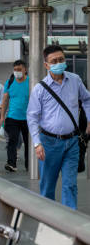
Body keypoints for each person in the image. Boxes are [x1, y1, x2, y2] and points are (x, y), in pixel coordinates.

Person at [27, 45, 90, 210]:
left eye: (61, 59)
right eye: (54, 61)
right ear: (46, 65)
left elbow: (87, 99)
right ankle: (48, 220)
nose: (59, 63)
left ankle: (69, 220)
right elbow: (32, 117)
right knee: (47, 186)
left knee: (70, 184)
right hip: (49, 143)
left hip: (72, 142)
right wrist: (37, 143)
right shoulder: (39, 89)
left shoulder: (75, 80)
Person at [0, 60, 30, 172]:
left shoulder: (31, 82)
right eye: (15, 70)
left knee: (28, 142)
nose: (17, 72)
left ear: (25, 69)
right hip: (12, 117)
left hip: (28, 118)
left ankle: (29, 164)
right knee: (12, 140)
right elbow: (5, 99)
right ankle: (11, 163)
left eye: (19, 69)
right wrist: (2, 116)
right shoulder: (10, 82)